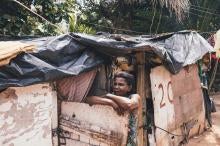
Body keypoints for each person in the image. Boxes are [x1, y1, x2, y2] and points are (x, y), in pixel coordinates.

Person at [85, 71, 140, 146]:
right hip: (111, 139)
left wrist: (109, 95)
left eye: (121, 85)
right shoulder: (111, 99)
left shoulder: (134, 96)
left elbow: (129, 104)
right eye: (115, 84)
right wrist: (110, 102)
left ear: (129, 88)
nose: (116, 87)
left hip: (128, 141)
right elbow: (87, 100)